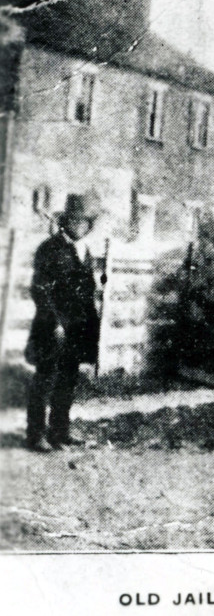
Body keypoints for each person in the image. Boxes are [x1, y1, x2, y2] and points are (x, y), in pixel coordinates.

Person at [25, 193, 103, 452]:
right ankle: (36, 434)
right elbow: (40, 289)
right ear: (66, 221)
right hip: (53, 326)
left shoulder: (85, 251)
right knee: (45, 379)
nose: (81, 226)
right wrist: (54, 322)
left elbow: (87, 291)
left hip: (76, 328)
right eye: (76, 221)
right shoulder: (49, 248)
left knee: (68, 379)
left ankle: (60, 432)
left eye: (85, 222)